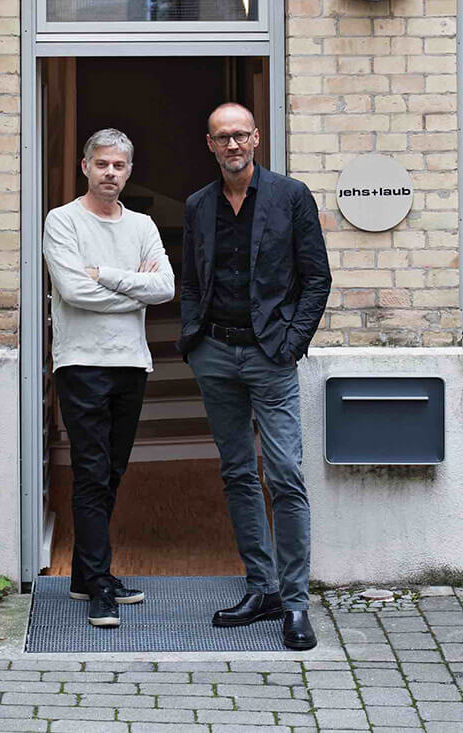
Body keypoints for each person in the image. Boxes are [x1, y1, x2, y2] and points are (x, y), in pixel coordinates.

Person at [178, 103, 331, 650]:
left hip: (271, 356)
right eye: (223, 137)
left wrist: (291, 345)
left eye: (241, 135)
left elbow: (317, 279)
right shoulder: (198, 205)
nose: (233, 145)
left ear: (256, 139)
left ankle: (295, 603)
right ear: (210, 144)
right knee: (239, 473)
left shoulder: (291, 196)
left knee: (285, 474)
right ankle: (261, 588)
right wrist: (193, 339)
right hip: (216, 354)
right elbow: (191, 280)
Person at [43, 128, 175, 628]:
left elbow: (165, 288)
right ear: (85, 167)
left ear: (129, 171)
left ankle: (84, 575)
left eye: (119, 166)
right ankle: (99, 583)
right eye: (102, 164)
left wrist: (107, 275)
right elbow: (74, 292)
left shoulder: (142, 225)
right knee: (92, 471)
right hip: (81, 363)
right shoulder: (62, 221)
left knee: (112, 471)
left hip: (131, 362)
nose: (110, 173)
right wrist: (134, 291)